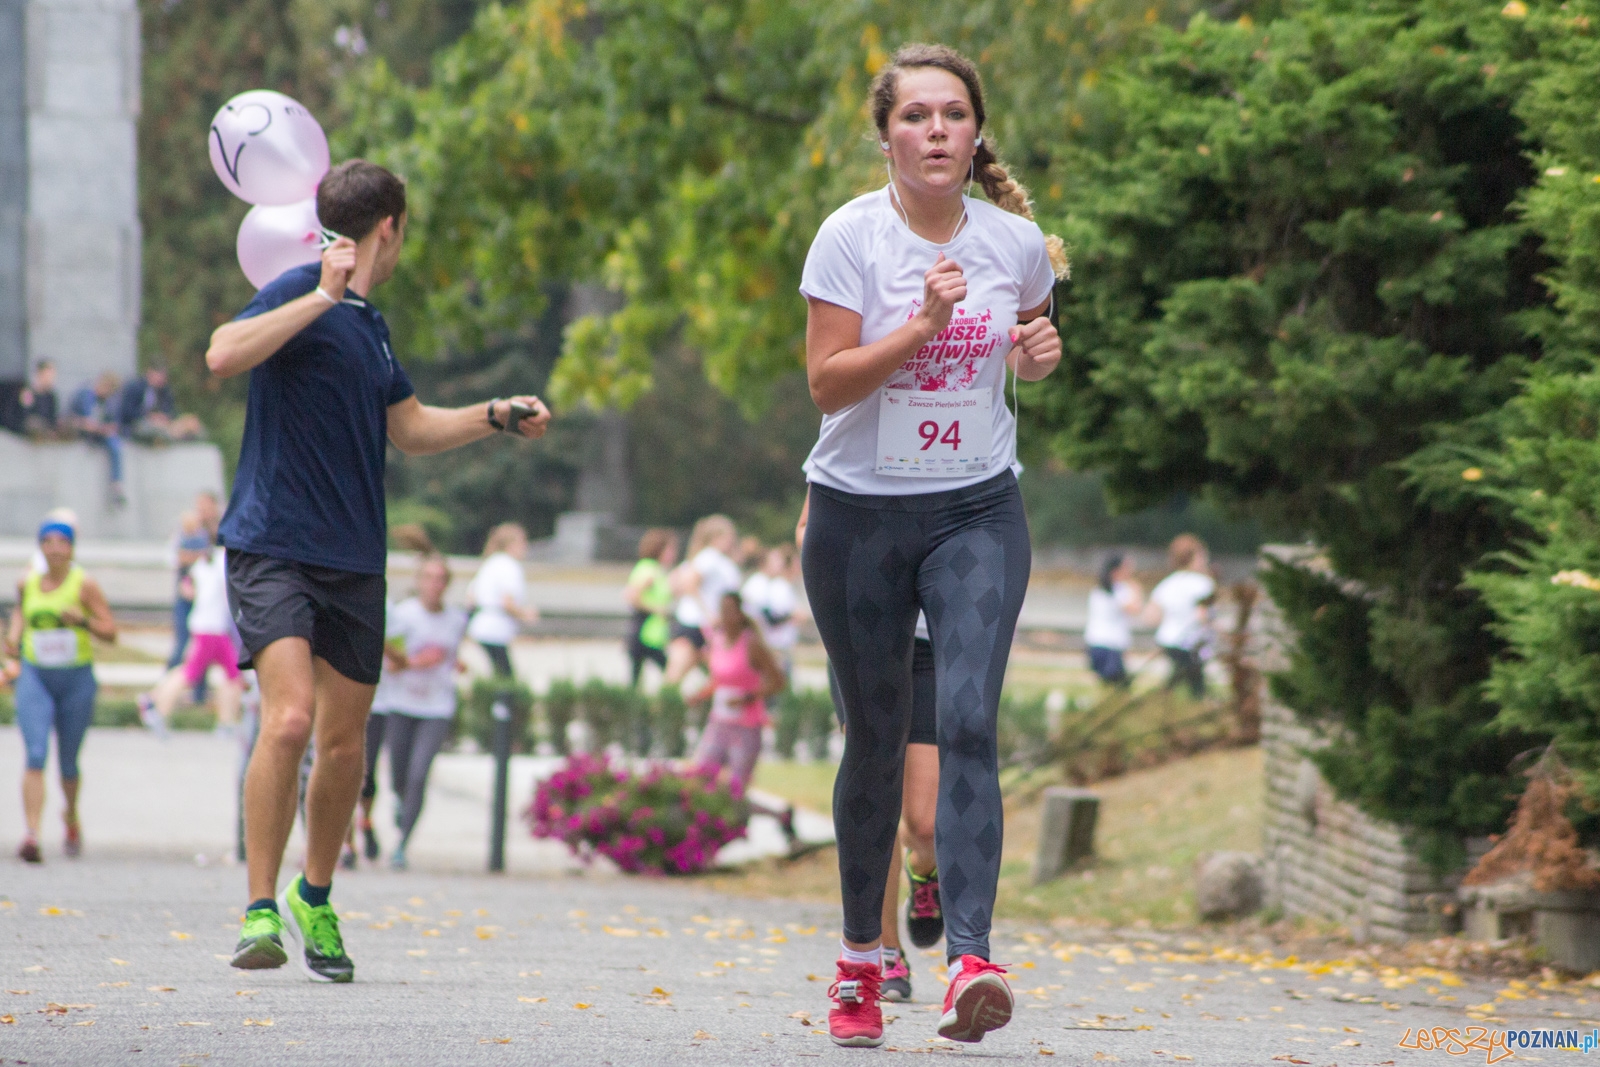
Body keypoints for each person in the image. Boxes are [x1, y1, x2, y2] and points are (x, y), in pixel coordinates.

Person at [205, 158, 551, 982]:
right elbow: (221, 355)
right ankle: (260, 907)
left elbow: (414, 428)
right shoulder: (297, 293)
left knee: (343, 742)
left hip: (355, 557)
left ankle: (313, 894)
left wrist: (497, 415)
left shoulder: (372, 325)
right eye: (403, 232)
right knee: (288, 721)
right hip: (273, 546)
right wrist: (318, 296)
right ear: (388, 227)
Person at [796, 43, 1069, 1047]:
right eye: (916, 116)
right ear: (886, 137)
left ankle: (970, 960)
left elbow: (1034, 343)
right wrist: (920, 325)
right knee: (873, 740)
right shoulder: (848, 239)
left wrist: (1039, 355)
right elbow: (827, 384)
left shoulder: (1015, 243)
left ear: (976, 131)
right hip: (858, 513)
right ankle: (860, 965)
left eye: (953, 113)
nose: (937, 131)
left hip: (974, 511)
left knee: (965, 718)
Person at [798, 493, 942, 1005]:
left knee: (923, 822)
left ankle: (925, 869)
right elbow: (809, 530)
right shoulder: (850, 434)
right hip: (865, 638)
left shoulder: (962, 439)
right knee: (874, 796)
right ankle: (886, 951)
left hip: (930, 650)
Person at [5, 517, 117, 863]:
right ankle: (32, 834)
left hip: (75, 680)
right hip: (36, 676)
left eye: (61, 542)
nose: (54, 548)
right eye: (47, 542)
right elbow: (21, 616)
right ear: (39, 547)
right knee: (35, 753)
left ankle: (70, 815)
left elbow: (111, 632)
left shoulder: (85, 585)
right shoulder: (28, 583)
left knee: (69, 762)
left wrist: (82, 621)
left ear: (71, 548)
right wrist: (12, 639)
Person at [369, 553, 468, 871]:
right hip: (401, 703)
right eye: (428, 577)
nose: (434, 584)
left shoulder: (456, 619)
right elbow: (393, 664)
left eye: (440, 578)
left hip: (437, 707)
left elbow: (453, 653)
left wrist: (455, 662)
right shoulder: (403, 615)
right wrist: (418, 661)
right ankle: (401, 804)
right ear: (418, 581)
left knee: (418, 774)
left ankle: (401, 844)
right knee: (398, 775)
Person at [685, 591, 796, 843]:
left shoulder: (752, 644)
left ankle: (779, 816)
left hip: (746, 725)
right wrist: (699, 695)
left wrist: (748, 697)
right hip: (719, 722)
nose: (724, 616)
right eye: (720, 610)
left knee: (735, 790)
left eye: (729, 610)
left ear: (739, 614)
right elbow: (718, 679)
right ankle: (712, 831)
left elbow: (778, 681)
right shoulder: (717, 640)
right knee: (702, 777)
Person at [137, 544, 243, 734]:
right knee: (191, 673)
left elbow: (187, 587)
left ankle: (226, 721)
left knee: (232, 673)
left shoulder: (207, 560)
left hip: (210, 626)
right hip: (211, 627)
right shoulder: (222, 559)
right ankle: (156, 707)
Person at [664, 515, 741, 686]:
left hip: (708, 626)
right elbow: (690, 583)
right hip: (697, 624)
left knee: (720, 677)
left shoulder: (716, 560)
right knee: (675, 677)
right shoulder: (709, 558)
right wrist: (708, 613)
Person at [1145, 535, 1215, 699]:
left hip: (1168, 639)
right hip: (1190, 642)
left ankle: (1162, 701)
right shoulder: (1203, 584)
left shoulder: (1167, 583)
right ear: (1194, 558)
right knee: (1196, 685)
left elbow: (1151, 616)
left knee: (1179, 677)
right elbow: (1203, 615)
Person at [466, 523, 538, 679]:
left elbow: (471, 597)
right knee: (506, 677)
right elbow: (508, 602)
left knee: (499, 671)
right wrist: (525, 614)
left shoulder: (491, 563)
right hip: (495, 628)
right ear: (511, 545)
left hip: (481, 625)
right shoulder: (510, 566)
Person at [168, 491, 222, 674]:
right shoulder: (186, 529)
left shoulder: (217, 531)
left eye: (206, 506)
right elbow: (177, 557)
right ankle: (167, 683)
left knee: (203, 646)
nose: (202, 510)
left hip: (208, 596)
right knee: (182, 641)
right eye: (200, 506)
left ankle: (198, 691)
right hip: (188, 591)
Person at [624, 528, 678, 687]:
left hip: (653, 633)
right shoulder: (649, 570)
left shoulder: (658, 571)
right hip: (645, 631)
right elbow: (632, 595)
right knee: (670, 671)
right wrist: (657, 609)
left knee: (637, 679)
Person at [1085, 552, 1144, 687]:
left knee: (1108, 684)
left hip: (1095, 642)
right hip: (1110, 645)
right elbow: (1134, 609)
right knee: (1119, 686)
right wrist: (1136, 589)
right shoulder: (1117, 590)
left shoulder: (1098, 590)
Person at [67, 371, 125, 505]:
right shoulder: (85, 395)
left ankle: (117, 485)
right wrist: (98, 428)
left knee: (115, 444)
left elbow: (113, 421)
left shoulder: (108, 401)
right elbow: (81, 420)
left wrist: (108, 428)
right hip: (80, 432)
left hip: (98, 433)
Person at [117, 365, 204, 442]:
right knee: (156, 429)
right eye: (159, 376)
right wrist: (149, 416)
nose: (161, 380)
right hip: (138, 424)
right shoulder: (135, 387)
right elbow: (127, 411)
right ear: (150, 373)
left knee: (191, 424)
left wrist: (165, 416)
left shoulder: (164, 391)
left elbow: (171, 410)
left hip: (162, 424)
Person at [19, 361, 60, 438]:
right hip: (32, 433)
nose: (51, 378)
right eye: (49, 375)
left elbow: (53, 416)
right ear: (40, 374)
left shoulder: (51, 396)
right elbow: (25, 416)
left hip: (48, 430)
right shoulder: (28, 393)